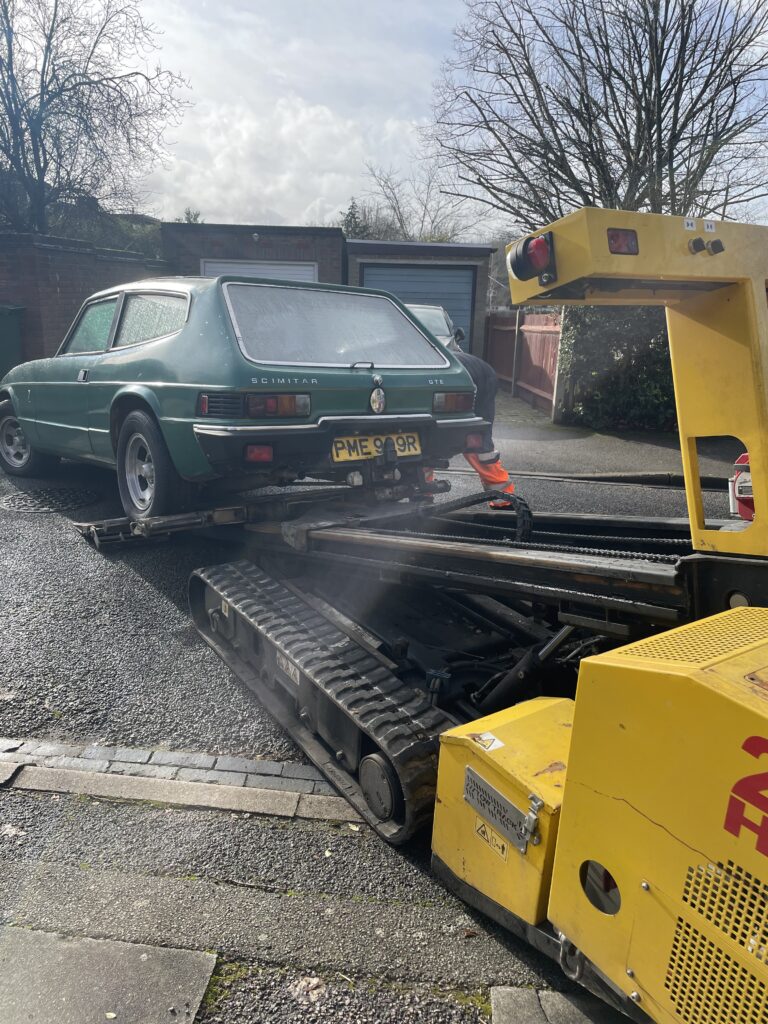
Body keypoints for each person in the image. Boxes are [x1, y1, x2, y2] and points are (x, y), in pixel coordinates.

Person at [455, 350, 516, 508]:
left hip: (476, 378)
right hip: (479, 373)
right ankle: (503, 497)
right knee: (476, 440)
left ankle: (503, 498)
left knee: (475, 441)